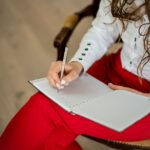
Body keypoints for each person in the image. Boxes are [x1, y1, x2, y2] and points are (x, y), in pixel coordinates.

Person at [0, 0, 150, 149]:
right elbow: (103, 30)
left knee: (48, 110)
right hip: (114, 68)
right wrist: (78, 63)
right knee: (49, 102)